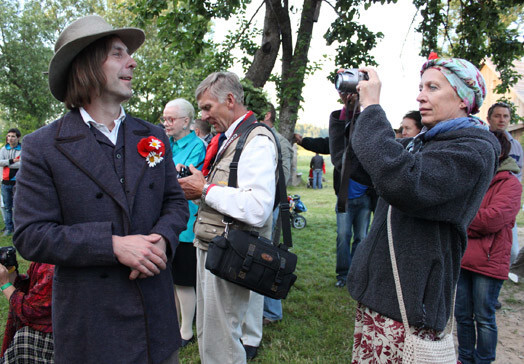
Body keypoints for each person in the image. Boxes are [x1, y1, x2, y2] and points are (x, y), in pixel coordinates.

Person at [13, 16, 189, 364]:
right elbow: (31, 235)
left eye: (129, 54)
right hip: (92, 327)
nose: (133, 61)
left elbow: (175, 202)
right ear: (87, 65)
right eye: (118, 53)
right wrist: (112, 246)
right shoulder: (43, 146)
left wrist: (162, 239)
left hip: (156, 319)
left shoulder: (152, 135)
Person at [346, 55, 499, 361]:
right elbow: (359, 164)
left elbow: (404, 183)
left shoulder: (474, 149)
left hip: (411, 304)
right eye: (420, 86)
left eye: (432, 87)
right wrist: (354, 109)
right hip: (382, 293)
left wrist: (374, 109)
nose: (420, 95)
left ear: (462, 98)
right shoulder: (425, 143)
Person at [178, 71, 277, 364]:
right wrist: (199, 185)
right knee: (210, 334)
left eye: (208, 107)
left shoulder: (256, 140)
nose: (204, 115)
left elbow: (257, 207)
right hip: (212, 245)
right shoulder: (232, 136)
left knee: (222, 340)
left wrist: (204, 188)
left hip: (229, 252)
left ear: (230, 100)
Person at [455, 130, 522, 364]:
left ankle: (483, 360)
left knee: (484, 317)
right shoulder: (474, 178)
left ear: (499, 151)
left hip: (490, 261)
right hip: (463, 257)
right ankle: (464, 358)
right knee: (462, 316)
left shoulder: (511, 184)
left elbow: (492, 219)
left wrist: (463, 219)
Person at [294, 92, 372, 288]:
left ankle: (356, 274)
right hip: (344, 199)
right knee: (343, 237)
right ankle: (343, 275)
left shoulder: (369, 140)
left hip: (365, 199)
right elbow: (324, 143)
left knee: (361, 238)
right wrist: (303, 141)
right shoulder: (342, 140)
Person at [162, 98, 206, 347]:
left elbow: (187, 180)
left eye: (171, 119)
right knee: (172, 280)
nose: (166, 123)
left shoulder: (197, 146)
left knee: (184, 280)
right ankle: (178, 325)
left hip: (187, 223)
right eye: (164, 118)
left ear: (186, 121)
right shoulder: (164, 144)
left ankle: (186, 332)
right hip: (166, 220)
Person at [260, 103, 293, 325]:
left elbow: (284, 178)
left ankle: (272, 312)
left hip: (267, 210)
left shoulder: (279, 141)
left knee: (267, 257)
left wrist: (262, 205)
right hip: (253, 209)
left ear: (268, 114)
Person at [486, 102, 523, 266]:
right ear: (489, 119)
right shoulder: (482, 141)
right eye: (497, 115)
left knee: (513, 250)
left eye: (505, 116)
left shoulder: (515, 145)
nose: (502, 119)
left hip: (505, 200)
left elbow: (519, 173)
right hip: (484, 200)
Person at [0, 261, 54, 363]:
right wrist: (11, 273)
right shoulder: (47, 255)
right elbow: (33, 288)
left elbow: (30, 311)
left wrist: (5, 284)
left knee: (24, 338)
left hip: (62, 339)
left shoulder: (54, 263)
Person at [0, 128, 22, 236]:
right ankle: (9, 228)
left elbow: (22, 163)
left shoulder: (22, 149)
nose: (10, 138)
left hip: (18, 182)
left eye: (13, 136)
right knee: (7, 207)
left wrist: (6, 164)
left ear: (18, 138)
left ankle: (19, 228)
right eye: (8, 136)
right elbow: (0, 162)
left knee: (19, 206)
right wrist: (12, 161)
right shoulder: (4, 149)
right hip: (5, 182)